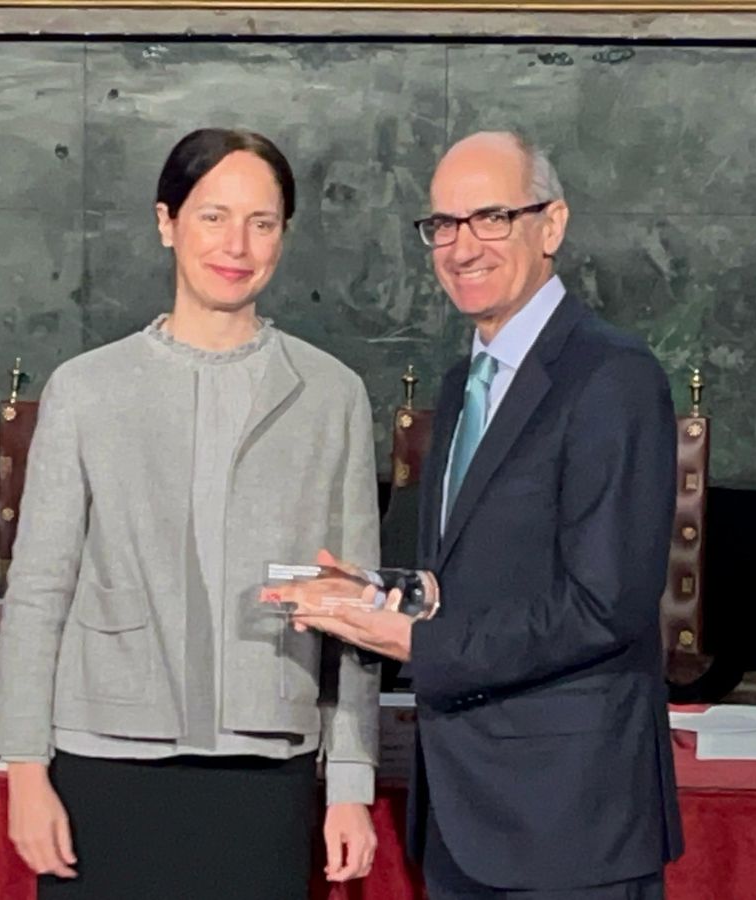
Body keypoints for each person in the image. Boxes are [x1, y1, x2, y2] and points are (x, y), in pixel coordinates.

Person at [282, 131, 684, 898]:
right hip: (463, 812)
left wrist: (414, 641)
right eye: (443, 224)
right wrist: (380, 596)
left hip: (569, 822)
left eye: (492, 218)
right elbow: (477, 577)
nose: (462, 247)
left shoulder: (612, 377)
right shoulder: (464, 379)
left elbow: (606, 606)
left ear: (551, 225)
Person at [0, 127, 381, 900]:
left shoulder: (332, 395)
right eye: (213, 216)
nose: (236, 244)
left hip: (265, 767)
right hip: (102, 763)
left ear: (284, 236)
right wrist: (25, 771)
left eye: (262, 222)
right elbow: (38, 591)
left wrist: (350, 780)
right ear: (167, 222)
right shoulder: (86, 389)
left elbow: (355, 608)